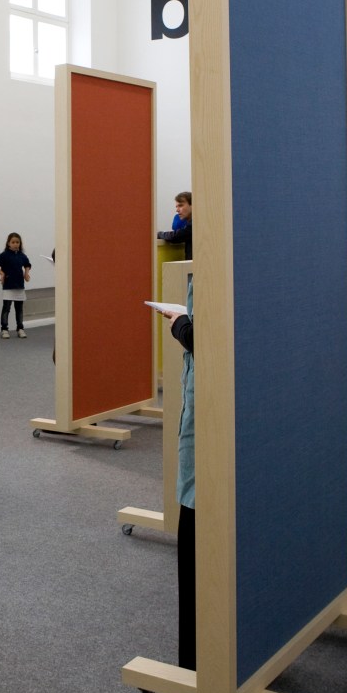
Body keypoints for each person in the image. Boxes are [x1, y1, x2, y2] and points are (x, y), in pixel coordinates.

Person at [153, 279, 195, 670]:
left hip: (210, 414)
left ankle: (200, 664)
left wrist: (181, 324)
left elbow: (205, 338)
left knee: (198, 526)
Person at [0, 232, 32, 338]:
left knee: (19, 309)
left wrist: (26, 273)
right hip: (8, 286)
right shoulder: (4, 255)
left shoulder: (22, 255)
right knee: (6, 308)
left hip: (19, 286)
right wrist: (2, 274)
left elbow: (27, 264)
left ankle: (20, 328)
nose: (15, 244)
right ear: (8, 243)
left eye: (17, 242)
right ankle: (4, 329)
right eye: (13, 242)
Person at [157, 190, 193, 259]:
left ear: (192, 205)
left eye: (180, 205)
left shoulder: (196, 224)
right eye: (176, 207)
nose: (177, 210)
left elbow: (176, 236)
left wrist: (158, 234)